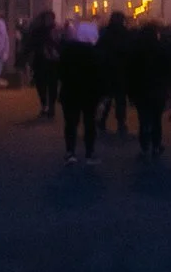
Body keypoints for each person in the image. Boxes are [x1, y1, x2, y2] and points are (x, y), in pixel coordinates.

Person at [125, 18, 171, 160]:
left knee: (143, 119)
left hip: (140, 89)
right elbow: (169, 70)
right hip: (158, 89)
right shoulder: (162, 49)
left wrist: (130, 91)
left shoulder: (136, 50)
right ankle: (156, 145)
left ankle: (144, 146)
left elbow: (130, 71)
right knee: (156, 119)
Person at [58, 17, 102, 163]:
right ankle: (89, 153)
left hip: (70, 91)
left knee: (71, 123)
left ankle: (70, 152)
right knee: (90, 123)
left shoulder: (67, 51)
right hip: (90, 93)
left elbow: (60, 72)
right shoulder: (95, 53)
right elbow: (101, 74)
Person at [97, 11, 132, 136]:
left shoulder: (105, 33)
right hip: (121, 71)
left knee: (106, 97)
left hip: (107, 70)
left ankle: (102, 120)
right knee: (120, 99)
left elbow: (99, 50)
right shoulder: (126, 34)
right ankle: (121, 123)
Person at [21, 9, 60, 119]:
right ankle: (44, 105)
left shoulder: (57, 30)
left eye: (50, 18)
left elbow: (61, 44)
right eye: (47, 18)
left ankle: (51, 106)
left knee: (52, 85)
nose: (49, 20)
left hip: (53, 62)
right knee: (41, 84)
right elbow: (30, 45)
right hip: (40, 61)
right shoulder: (37, 31)